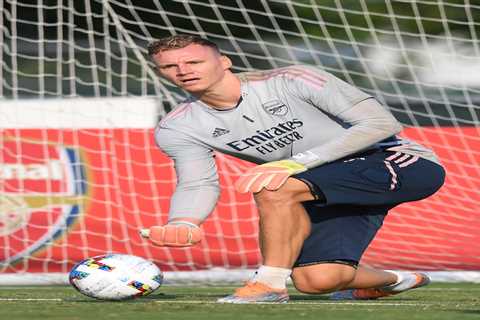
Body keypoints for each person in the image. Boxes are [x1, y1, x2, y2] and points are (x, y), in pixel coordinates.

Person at [140, 34, 445, 303]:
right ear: (161, 73)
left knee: (274, 186)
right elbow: (197, 182)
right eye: (169, 67)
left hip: (395, 161)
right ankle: (394, 281)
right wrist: (185, 222)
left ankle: (268, 285)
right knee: (317, 280)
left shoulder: (292, 79)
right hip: (319, 185)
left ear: (225, 61)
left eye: (194, 61)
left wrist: (295, 163)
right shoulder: (177, 126)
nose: (183, 71)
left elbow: (381, 124)